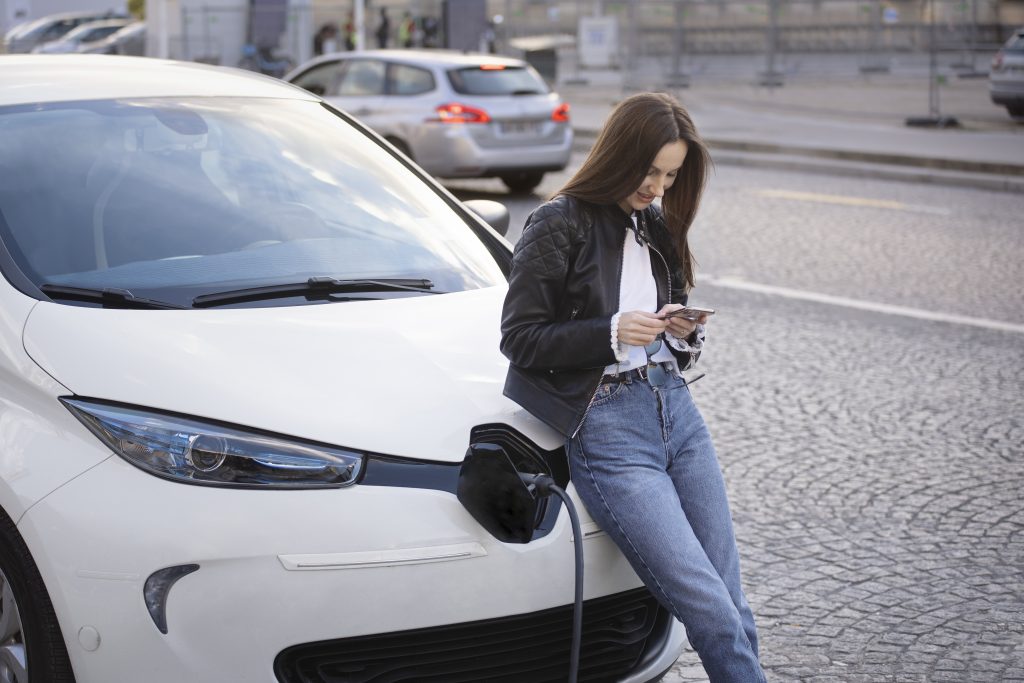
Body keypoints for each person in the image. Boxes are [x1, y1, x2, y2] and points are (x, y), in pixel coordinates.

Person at [499, 92, 767, 683]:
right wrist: (611, 331)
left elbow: (655, 322)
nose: (659, 188)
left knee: (736, 607)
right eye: (651, 171)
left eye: (671, 176)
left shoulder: (653, 223)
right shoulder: (558, 221)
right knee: (711, 612)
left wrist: (677, 329)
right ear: (620, 153)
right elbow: (520, 338)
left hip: (676, 409)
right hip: (609, 431)